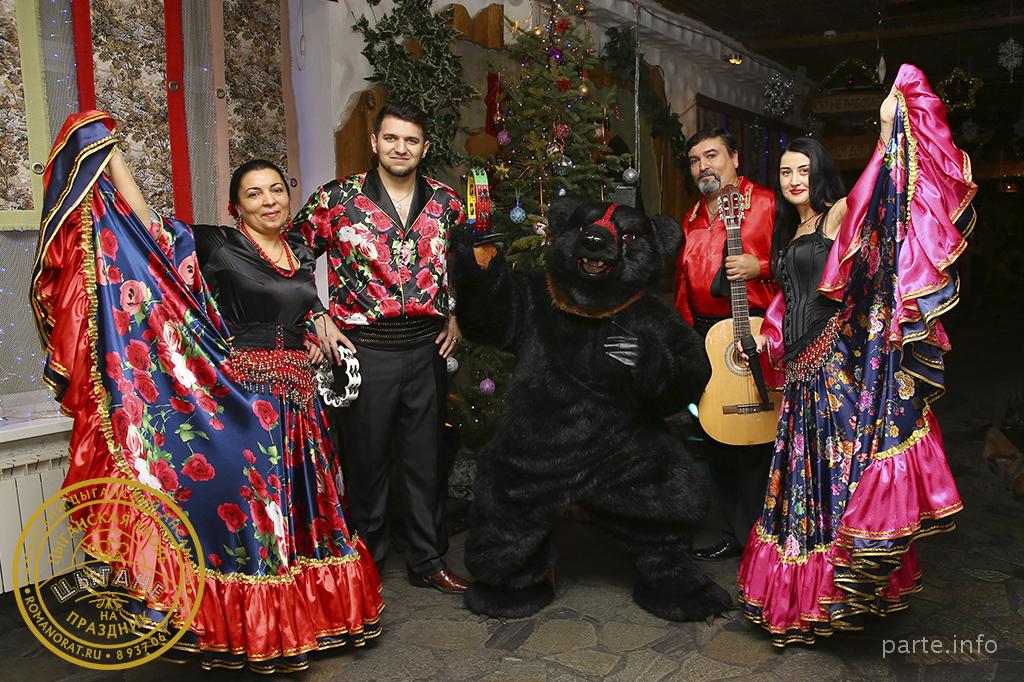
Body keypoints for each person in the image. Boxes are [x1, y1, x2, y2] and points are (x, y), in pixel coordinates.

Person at [32, 111, 384, 673]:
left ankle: (307, 621)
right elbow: (146, 228)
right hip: (245, 401)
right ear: (236, 207)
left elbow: (296, 301)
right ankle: (256, 630)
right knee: (254, 517)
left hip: (300, 406)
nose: (269, 201)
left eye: (276, 190)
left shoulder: (298, 249)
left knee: (303, 514)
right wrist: (111, 155)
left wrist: (318, 321)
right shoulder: (218, 244)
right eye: (254, 194)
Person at [737, 64, 976, 646]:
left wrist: (889, 129)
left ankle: (843, 593)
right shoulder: (790, 234)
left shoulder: (838, 213)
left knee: (840, 478)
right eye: (785, 171)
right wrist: (767, 340)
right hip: (800, 380)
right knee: (804, 487)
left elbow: (878, 191)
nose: (794, 179)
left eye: (803, 170)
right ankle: (808, 600)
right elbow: (787, 302)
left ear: (819, 173)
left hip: (834, 374)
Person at [290, 102, 469, 594]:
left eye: (411, 140)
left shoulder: (447, 203)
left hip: (427, 349)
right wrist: (317, 316)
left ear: (424, 148)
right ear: (374, 142)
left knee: (425, 461)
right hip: (365, 349)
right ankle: (363, 565)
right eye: (391, 138)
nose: (400, 148)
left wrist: (455, 312)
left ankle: (428, 560)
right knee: (366, 464)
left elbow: (461, 266)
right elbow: (291, 256)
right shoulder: (337, 199)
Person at [674, 128, 780, 560]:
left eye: (712, 155)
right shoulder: (691, 217)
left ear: (734, 157)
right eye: (695, 160)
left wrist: (762, 267)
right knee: (716, 436)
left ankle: (769, 535)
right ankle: (737, 532)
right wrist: (685, 338)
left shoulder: (768, 204)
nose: (703, 167)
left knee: (760, 440)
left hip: (755, 332)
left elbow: (805, 261)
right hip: (705, 335)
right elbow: (683, 284)